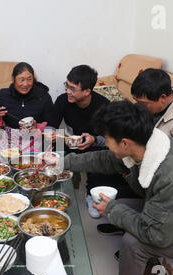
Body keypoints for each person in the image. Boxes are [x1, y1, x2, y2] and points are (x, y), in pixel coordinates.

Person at [63, 100, 173, 275]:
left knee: (132, 242)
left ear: (125, 143)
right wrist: (62, 162)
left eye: (107, 139)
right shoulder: (146, 144)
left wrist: (112, 210)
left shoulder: (172, 176)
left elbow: (157, 235)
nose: (106, 144)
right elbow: (105, 159)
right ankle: (141, 267)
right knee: (120, 206)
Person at [97, 68, 173, 236]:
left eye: (142, 104)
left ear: (163, 98)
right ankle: (124, 221)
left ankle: (135, 229)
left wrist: (135, 164)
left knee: (121, 175)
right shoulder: (158, 106)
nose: (139, 107)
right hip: (152, 161)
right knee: (111, 164)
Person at [52, 65, 140, 218]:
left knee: (101, 157)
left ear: (87, 91)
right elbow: (51, 124)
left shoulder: (103, 105)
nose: (67, 91)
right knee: (54, 149)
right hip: (68, 142)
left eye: (72, 89)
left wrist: (93, 139)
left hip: (94, 145)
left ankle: (92, 193)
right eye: (67, 86)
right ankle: (55, 189)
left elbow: (111, 138)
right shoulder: (63, 101)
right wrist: (51, 133)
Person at [0, 62, 54, 154]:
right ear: (13, 79)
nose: (25, 84)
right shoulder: (4, 95)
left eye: (29, 79)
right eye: (21, 80)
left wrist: (37, 129)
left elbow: (50, 124)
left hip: (34, 140)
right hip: (8, 141)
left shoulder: (44, 96)